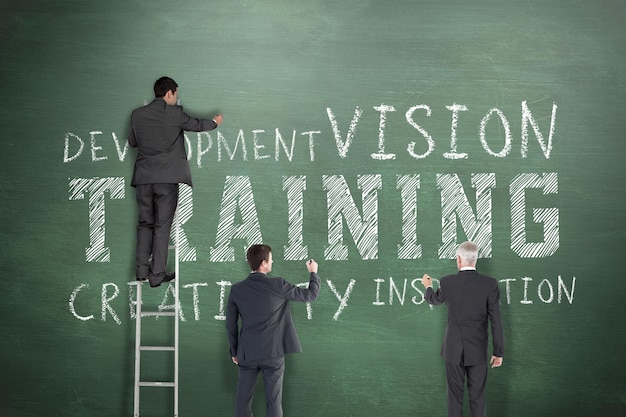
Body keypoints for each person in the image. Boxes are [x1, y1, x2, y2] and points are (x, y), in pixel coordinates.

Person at [128, 76, 223, 287]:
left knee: (144, 223)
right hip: (166, 179)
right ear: (169, 93)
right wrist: (215, 122)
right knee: (162, 226)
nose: (175, 98)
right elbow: (197, 125)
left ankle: (142, 271)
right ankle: (157, 274)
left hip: (143, 179)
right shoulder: (174, 114)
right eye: (175, 94)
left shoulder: (137, 115)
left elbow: (133, 142)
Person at [226, 244, 321, 417]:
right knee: (274, 401)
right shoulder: (278, 285)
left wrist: (234, 351)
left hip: (247, 353)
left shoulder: (236, 290)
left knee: (242, 400)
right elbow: (310, 295)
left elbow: (230, 324)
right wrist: (313, 272)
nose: (272, 261)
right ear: (263, 263)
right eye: (271, 259)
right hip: (273, 352)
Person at [421, 241, 504, 417]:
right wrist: (498, 352)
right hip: (478, 350)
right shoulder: (490, 284)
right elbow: (496, 319)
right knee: (478, 399)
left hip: (453, 350)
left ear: (458, 259)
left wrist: (427, 286)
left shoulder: (447, 282)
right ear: (475, 260)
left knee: (454, 398)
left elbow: (434, 300)